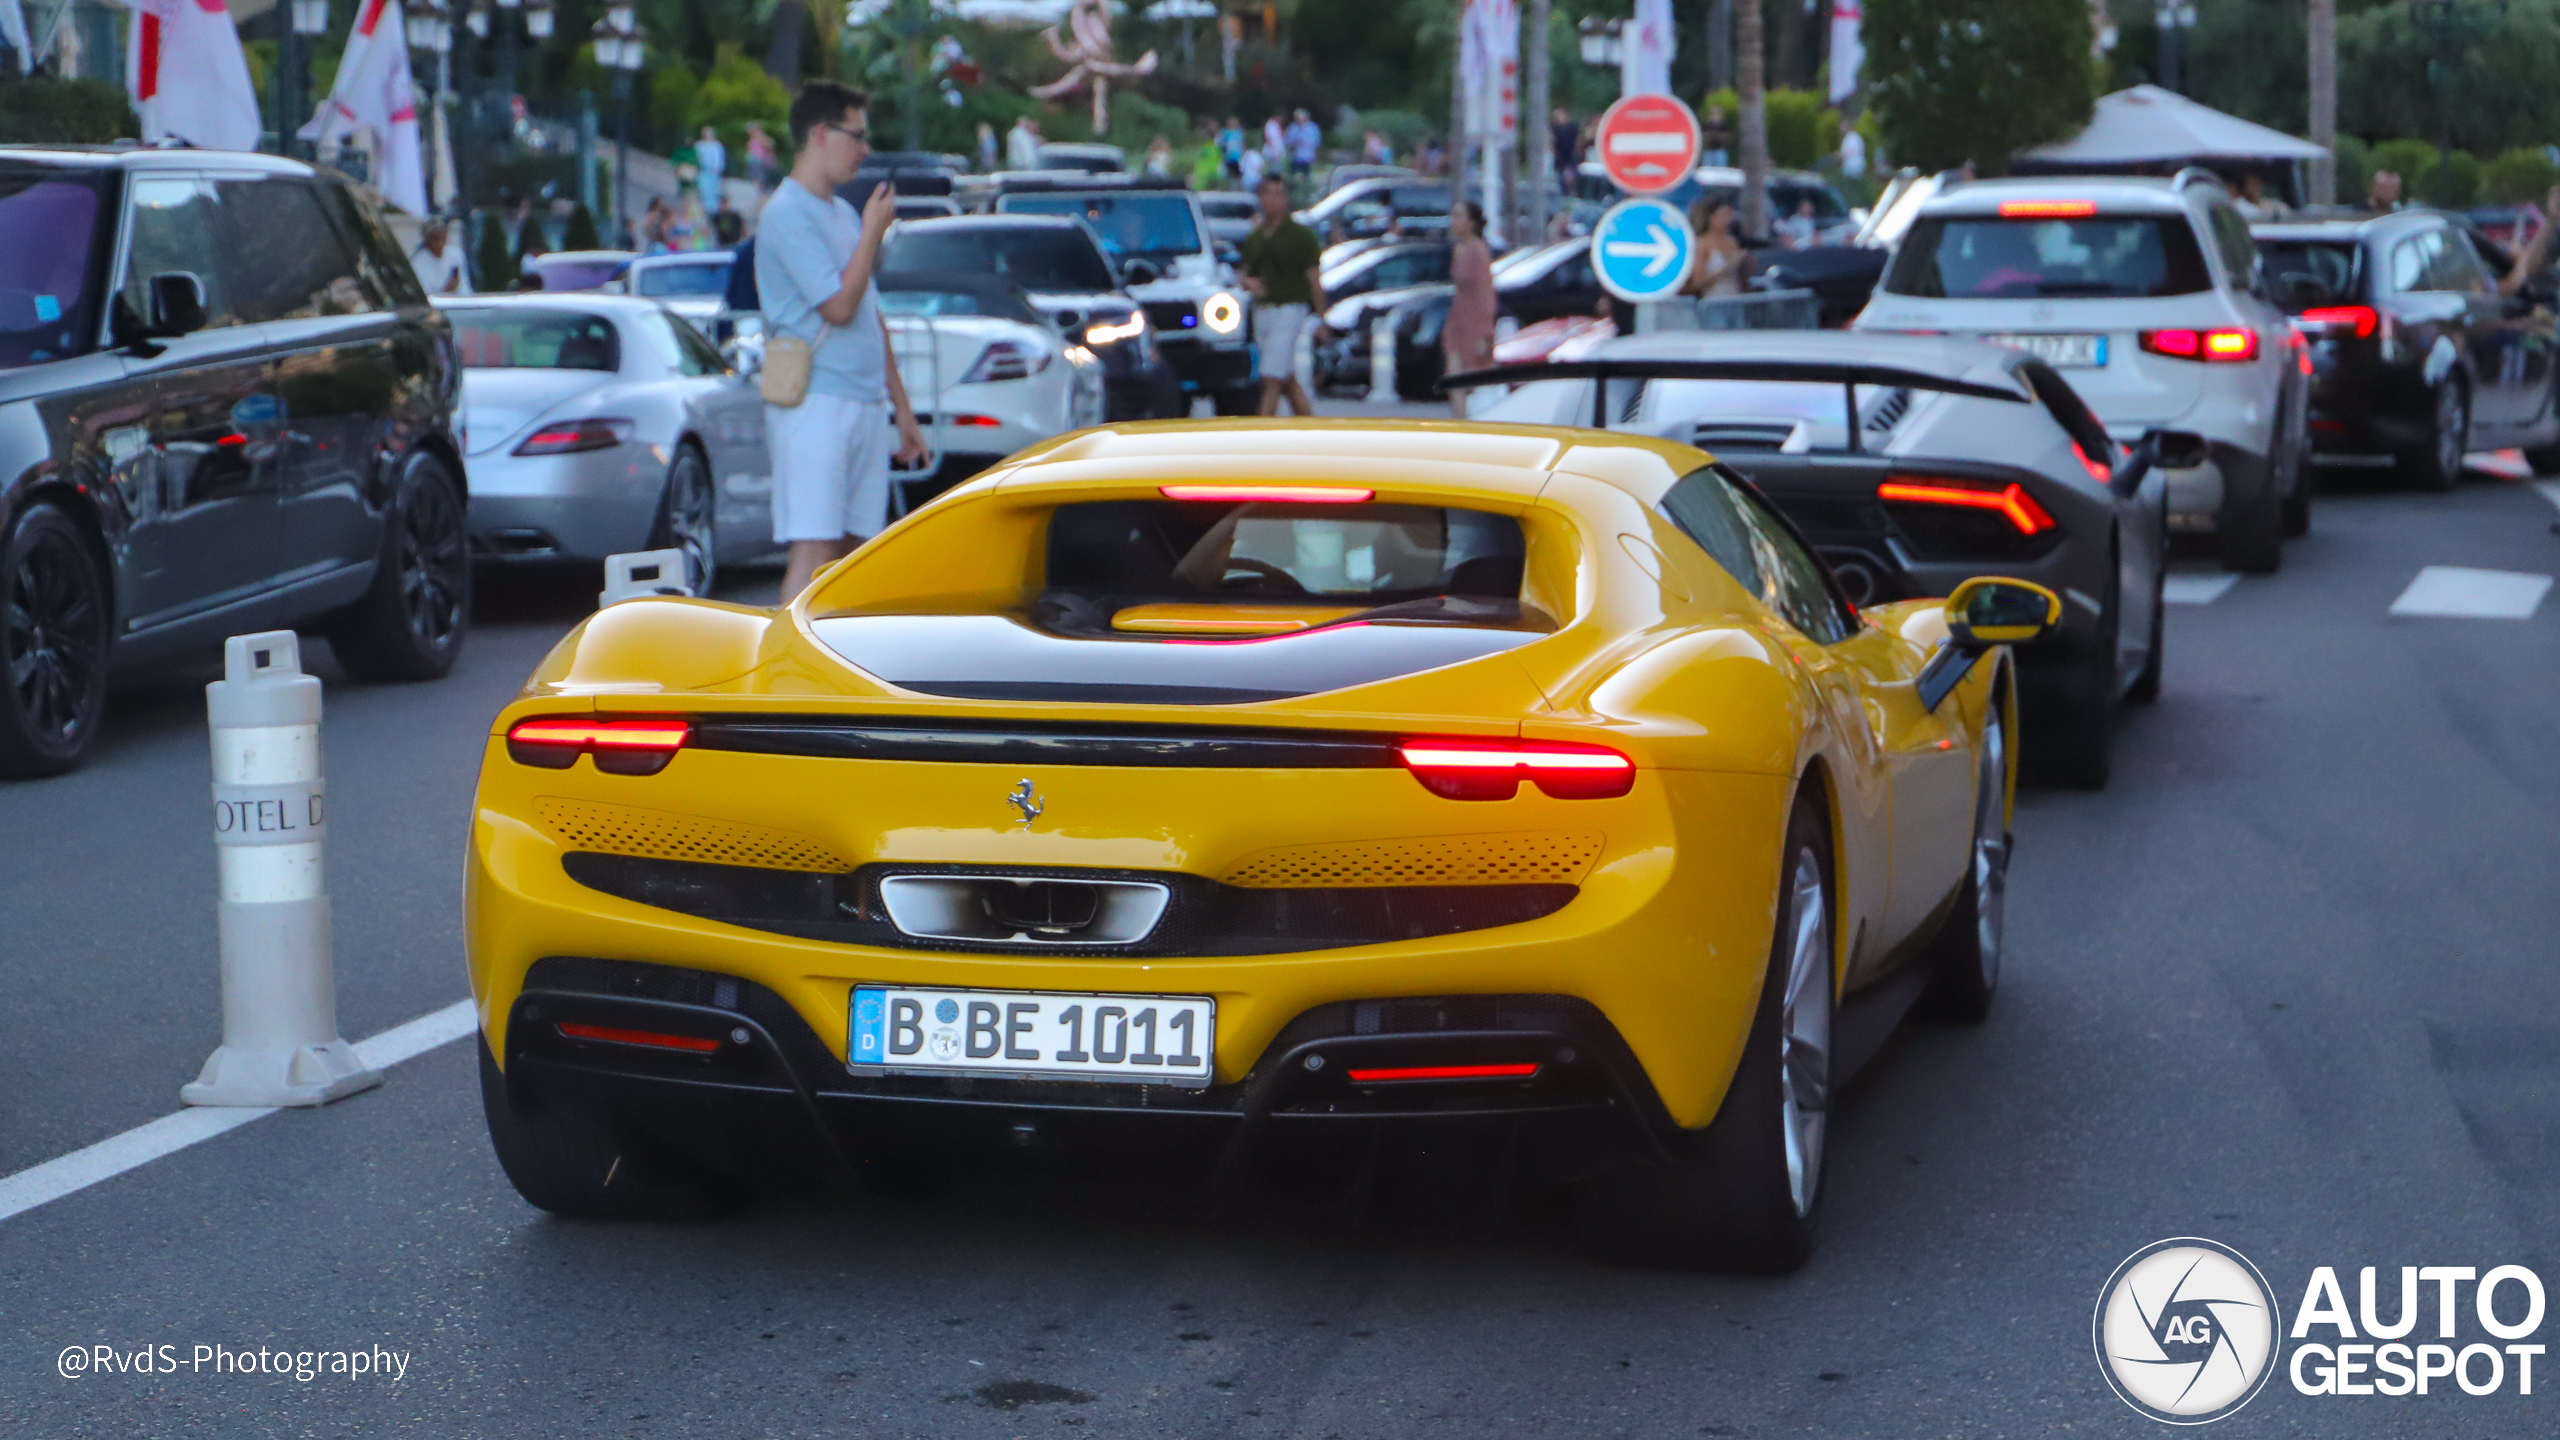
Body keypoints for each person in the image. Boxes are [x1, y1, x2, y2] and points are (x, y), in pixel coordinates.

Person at [757, 80, 930, 603]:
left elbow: (870, 317)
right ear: (819, 134)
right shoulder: (786, 213)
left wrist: (902, 409)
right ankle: (781, 677)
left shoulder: (842, 212)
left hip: (861, 399)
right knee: (813, 552)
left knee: (856, 555)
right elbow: (839, 306)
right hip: (815, 401)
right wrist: (874, 234)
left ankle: (832, 676)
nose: (865, 149)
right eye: (856, 136)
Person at [1238, 173, 1323, 416]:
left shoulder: (1301, 237)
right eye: (1268, 194)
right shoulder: (1255, 237)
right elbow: (1243, 273)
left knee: (1271, 378)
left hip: (1289, 309)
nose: (1273, 200)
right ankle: (1309, 427)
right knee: (1285, 377)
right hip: (1263, 312)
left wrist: (1321, 316)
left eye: (1278, 194)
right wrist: (1247, 283)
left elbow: (1314, 280)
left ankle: (1262, 433)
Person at [1442, 200, 1496, 418]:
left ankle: (1469, 425)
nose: (1454, 221)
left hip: (1474, 324)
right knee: (1453, 380)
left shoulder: (1478, 251)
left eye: (1459, 216)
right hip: (1457, 321)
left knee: (1471, 382)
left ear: (1472, 222)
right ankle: (1457, 424)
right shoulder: (1459, 248)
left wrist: (1484, 332)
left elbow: (1485, 293)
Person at [1683, 200, 1744, 298]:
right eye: (1723, 214)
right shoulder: (1702, 243)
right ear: (1711, 217)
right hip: (1713, 300)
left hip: (1734, 299)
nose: (1727, 219)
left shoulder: (1732, 242)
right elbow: (1697, 282)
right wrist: (1724, 269)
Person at [409, 219, 471, 295]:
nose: (440, 243)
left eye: (443, 238)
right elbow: (424, 295)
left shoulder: (457, 254)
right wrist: (447, 290)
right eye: (435, 239)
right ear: (427, 239)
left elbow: (465, 287)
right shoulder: (417, 261)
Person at [694, 124, 727, 209]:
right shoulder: (699, 145)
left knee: (713, 193)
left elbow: (719, 160)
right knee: (702, 191)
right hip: (702, 172)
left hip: (714, 174)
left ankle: (712, 211)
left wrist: (717, 169)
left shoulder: (717, 145)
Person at [1287, 109, 1320, 175]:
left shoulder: (1312, 128)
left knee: (1306, 176)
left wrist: (1305, 142)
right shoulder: (1293, 127)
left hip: (1307, 157)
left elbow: (1316, 142)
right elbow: (1288, 141)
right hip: (1295, 157)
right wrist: (1295, 142)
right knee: (1293, 176)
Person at [745, 119, 776, 189]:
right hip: (752, 160)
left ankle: (759, 192)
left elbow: (769, 145)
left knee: (758, 178)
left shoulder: (760, 136)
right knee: (752, 177)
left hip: (758, 160)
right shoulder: (753, 137)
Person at [1701, 102, 1732, 168]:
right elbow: (1704, 136)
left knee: (1721, 170)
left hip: (1720, 151)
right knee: (1707, 171)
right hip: (1709, 151)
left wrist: (1717, 136)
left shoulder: (1723, 126)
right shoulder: (1708, 125)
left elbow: (1727, 137)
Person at [1217, 115, 1246, 183]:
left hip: (1238, 157)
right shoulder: (1224, 132)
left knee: (1238, 174)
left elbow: (1243, 143)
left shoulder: (1239, 132)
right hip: (1228, 157)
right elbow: (1221, 144)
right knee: (1228, 174)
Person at [1550, 106, 1578, 172]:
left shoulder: (1572, 128)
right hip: (1559, 156)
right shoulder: (1554, 129)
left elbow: (1577, 141)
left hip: (1571, 155)